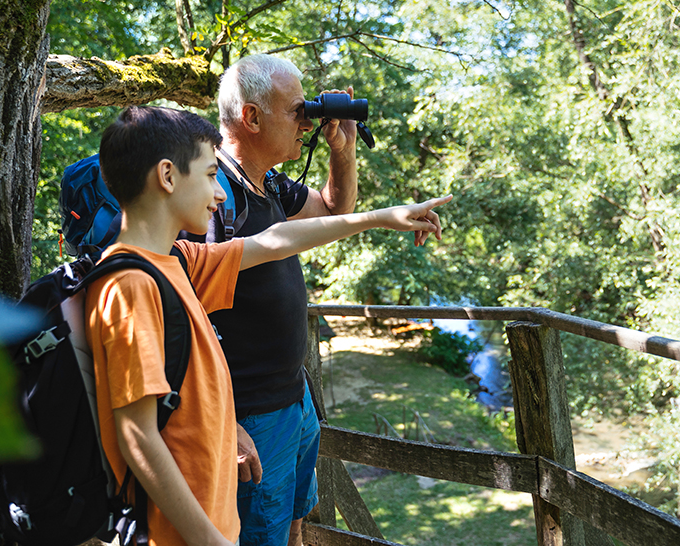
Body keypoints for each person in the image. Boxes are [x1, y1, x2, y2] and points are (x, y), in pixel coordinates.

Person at [86, 105, 450, 546]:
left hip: (213, 515)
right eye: (208, 176)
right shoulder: (130, 286)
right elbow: (137, 437)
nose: (219, 195)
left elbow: (274, 241)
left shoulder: (178, 261)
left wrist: (379, 217)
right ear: (167, 176)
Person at [204, 53, 370, 546]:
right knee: (260, 536)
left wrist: (344, 147)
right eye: (298, 110)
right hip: (251, 413)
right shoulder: (214, 196)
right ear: (251, 118)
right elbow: (183, 313)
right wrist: (225, 420)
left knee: (296, 523)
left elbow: (336, 208)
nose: (307, 121)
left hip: (293, 398)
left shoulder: (268, 183)